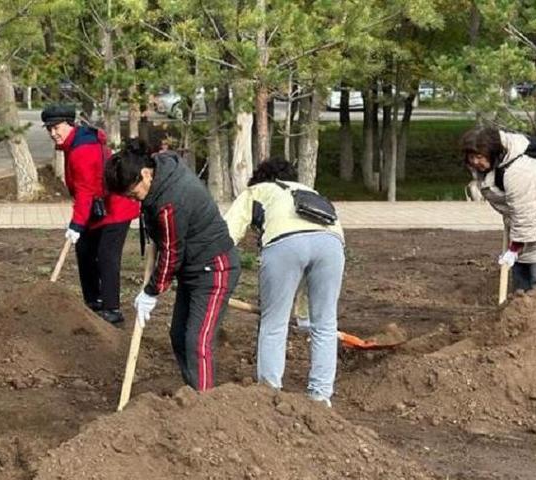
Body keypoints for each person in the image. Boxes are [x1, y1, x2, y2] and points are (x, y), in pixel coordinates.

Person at [104, 138, 240, 391]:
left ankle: (204, 405)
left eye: (134, 193)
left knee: (197, 342)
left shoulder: (170, 200)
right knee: (178, 336)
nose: (135, 200)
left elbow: (172, 252)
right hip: (193, 269)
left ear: (145, 174)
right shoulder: (160, 172)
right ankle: (193, 392)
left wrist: (151, 291)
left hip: (216, 268)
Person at [222, 157, 345, 407]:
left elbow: (227, 234)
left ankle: (270, 392)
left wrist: (207, 266)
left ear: (261, 178)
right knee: (325, 324)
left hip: (285, 244)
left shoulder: (257, 190)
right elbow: (312, 243)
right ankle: (321, 395)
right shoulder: (309, 191)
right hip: (332, 245)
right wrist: (303, 316)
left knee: (274, 323)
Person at [42, 104, 141, 325]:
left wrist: (76, 225)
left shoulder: (82, 149)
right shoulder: (74, 144)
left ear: (70, 124)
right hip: (98, 209)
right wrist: (79, 226)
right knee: (85, 250)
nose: (53, 133)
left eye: (56, 127)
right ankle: (93, 302)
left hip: (116, 208)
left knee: (107, 255)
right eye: (49, 129)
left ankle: (111, 310)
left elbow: (85, 190)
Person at [462, 127, 536, 291]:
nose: (475, 162)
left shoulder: (519, 172)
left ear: (493, 152)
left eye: (479, 156)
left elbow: (525, 214)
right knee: (522, 275)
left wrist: (514, 249)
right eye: (471, 157)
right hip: (527, 219)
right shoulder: (498, 163)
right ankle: (520, 310)